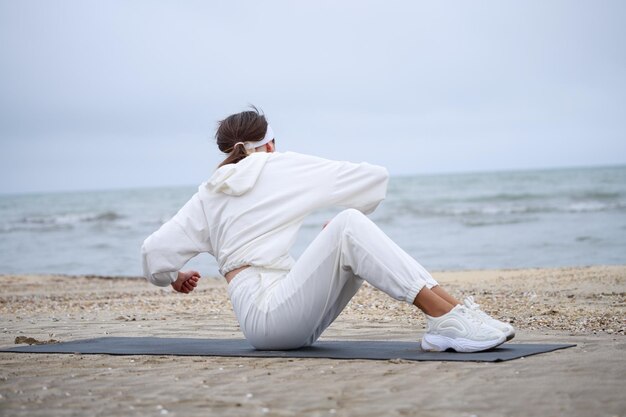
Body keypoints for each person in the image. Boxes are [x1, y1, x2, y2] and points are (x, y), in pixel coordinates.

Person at [141, 107, 514, 353]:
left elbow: (153, 253)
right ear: (269, 143)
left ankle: (456, 315)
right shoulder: (280, 166)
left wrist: (173, 277)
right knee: (349, 224)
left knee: (346, 228)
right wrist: (347, 219)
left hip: (269, 318)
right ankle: (444, 319)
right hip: (276, 316)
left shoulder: (209, 193)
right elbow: (375, 177)